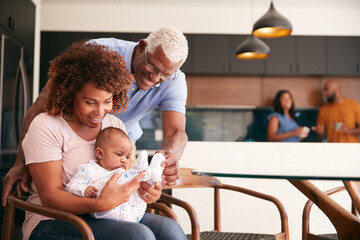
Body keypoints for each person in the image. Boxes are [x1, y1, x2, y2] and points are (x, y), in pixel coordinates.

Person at [2, 27, 189, 206]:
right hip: (71, 140)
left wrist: (170, 156)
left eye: (165, 74)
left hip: (123, 145)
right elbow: (42, 105)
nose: (155, 79)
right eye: (153, 68)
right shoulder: (100, 52)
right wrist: (20, 162)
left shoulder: (175, 81)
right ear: (141, 48)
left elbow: (176, 131)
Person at [20, 42, 186, 240]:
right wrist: (99, 204)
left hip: (107, 214)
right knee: (138, 236)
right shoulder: (46, 126)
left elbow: (125, 177)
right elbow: (50, 197)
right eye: (90, 102)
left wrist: (146, 191)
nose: (99, 112)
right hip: (52, 220)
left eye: (107, 101)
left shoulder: (114, 126)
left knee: (169, 229)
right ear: (70, 94)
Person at [66, 127, 165, 223]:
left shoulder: (123, 171)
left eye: (127, 157)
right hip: (104, 214)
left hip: (132, 212)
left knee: (136, 183)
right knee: (128, 177)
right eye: (119, 154)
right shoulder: (89, 169)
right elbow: (71, 186)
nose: (124, 160)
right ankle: (142, 171)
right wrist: (84, 190)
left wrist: (148, 190)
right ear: (100, 153)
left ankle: (151, 177)